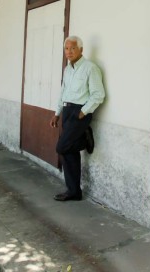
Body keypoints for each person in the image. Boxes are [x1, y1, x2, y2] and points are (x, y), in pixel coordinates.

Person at [50, 36, 105, 201]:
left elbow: (98, 94)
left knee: (62, 147)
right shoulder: (67, 70)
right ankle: (74, 191)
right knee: (70, 150)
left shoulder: (90, 68)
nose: (69, 52)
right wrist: (57, 113)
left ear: (81, 50)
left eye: (72, 48)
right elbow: (63, 93)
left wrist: (84, 112)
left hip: (79, 112)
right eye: (66, 48)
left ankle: (83, 136)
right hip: (67, 111)